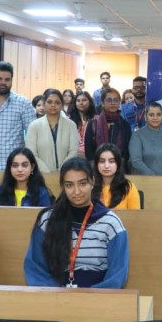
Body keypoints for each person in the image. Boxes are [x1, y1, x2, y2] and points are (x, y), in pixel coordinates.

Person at [24, 157, 129, 288]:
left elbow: (117, 275)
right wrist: (55, 294)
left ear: (93, 181)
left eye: (82, 183)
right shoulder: (47, 220)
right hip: (55, 295)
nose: (77, 191)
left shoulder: (111, 224)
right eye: (69, 185)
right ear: (63, 186)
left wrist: (90, 296)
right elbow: (35, 267)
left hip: (98, 296)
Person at [25, 89, 78, 173]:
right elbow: (31, 153)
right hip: (41, 174)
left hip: (66, 173)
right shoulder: (34, 126)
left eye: (57, 102)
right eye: (49, 102)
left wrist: (62, 171)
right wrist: (47, 172)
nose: (53, 105)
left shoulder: (71, 125)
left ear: (62, 105)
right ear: (44, 104)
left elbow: (73, 151)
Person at [84, 88, 131, 165]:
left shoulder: (125, 125)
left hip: (119, 166)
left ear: (119, 103)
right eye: (109, 100)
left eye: (116, 100)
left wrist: (117, 165)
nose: (113, 103)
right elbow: (88, 150)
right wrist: (97, 165)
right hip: (96, 166)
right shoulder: (93, 123)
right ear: (102, 103)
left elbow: (127, 151)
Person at [129, 101, 162, 175]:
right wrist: (153, 177)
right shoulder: (137, 135)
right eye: (151, 115)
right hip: (144, 179)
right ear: (145, 117)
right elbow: (136, 161)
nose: (155, 118)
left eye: (158, 115)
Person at [93, 143, 140, 210]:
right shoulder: (90, 186)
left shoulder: (129, 187)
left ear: (118, 163)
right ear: (96, 164)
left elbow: (135, 215)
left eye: (111, 161)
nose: (106, 166)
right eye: (102, 161)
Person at [68, 91, 95, 157]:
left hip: (91, 156)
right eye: (78, 100)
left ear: (90, 102)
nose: (81, 103)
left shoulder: (96, 120)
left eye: (84, 100)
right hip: (73, 156)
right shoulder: (68, 120)